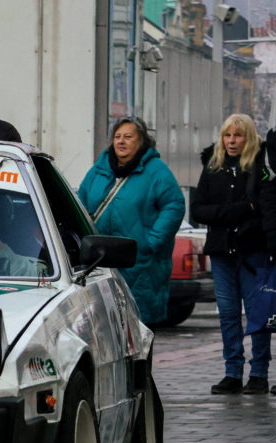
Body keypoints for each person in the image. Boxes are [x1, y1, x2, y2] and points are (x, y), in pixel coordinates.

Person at [77, 116, 185, 326]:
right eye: (117, 136)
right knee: (103, 324)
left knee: (137, 322)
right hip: (99, 260)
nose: (121, 141)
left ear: (142, 140)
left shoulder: (156, 171)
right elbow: (80, 202)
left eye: (128, 136)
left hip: (139, 262)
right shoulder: (99, 169)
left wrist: (151, 241)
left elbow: (174, 205)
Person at [191, 114, 271, 395]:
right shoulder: (213, 167)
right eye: (227, 135)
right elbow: (198, 210)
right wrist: (238, 211)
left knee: (258, 313)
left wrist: (230, 214)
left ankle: (259, 372)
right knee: (227, 313)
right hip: (222, 250)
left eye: (238, 135)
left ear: (249, 138)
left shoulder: (260, 167)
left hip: (252, 252)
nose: (232, 141)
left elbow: (262, 207)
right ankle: (232, 371)